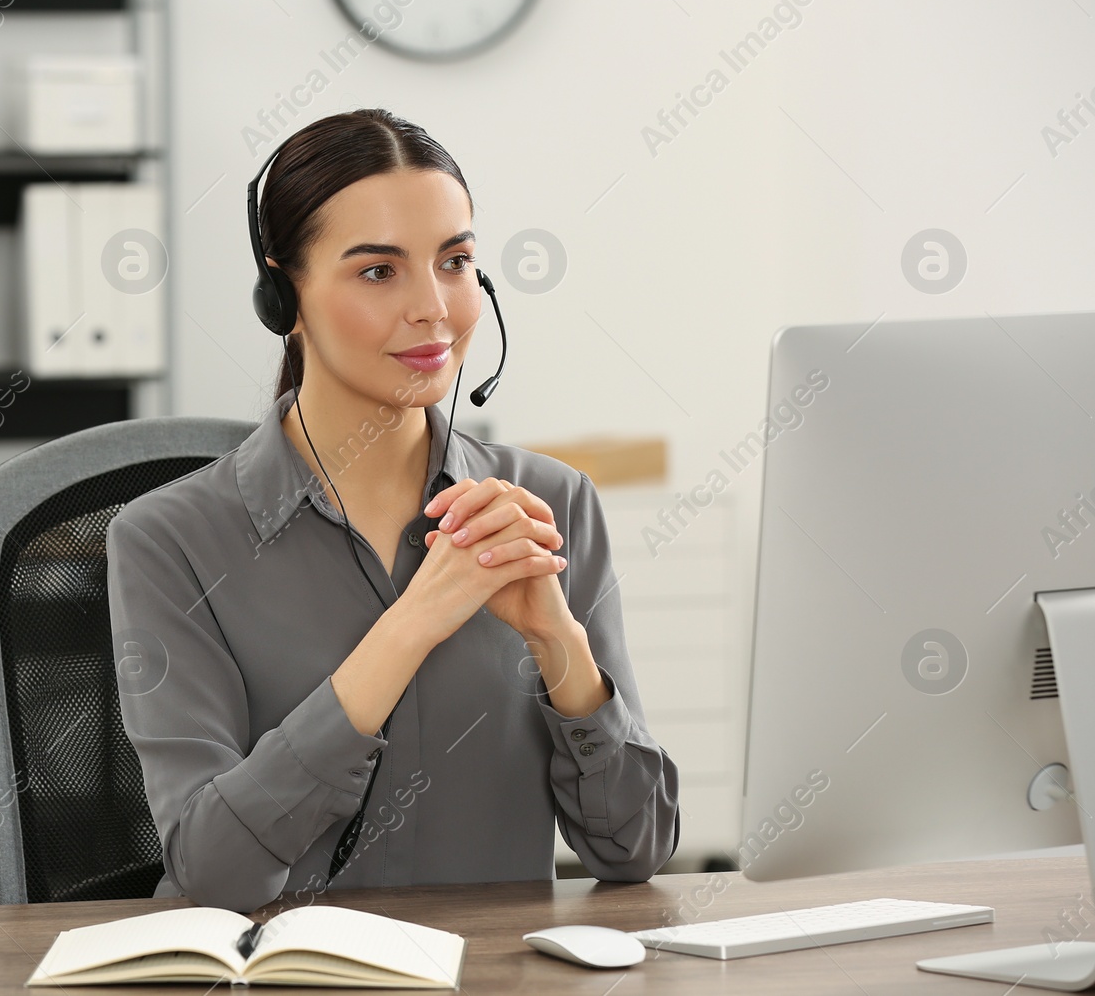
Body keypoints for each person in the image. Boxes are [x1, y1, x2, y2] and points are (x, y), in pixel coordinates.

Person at [106, 107, 678, 913]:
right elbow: (212, 876)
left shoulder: (551, 508)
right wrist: (410, 627)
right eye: (379, 271)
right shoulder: (167, 542)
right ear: (284, 297)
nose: (434, 309)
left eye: (455, 262)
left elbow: (637, 848)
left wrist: (560, 644)